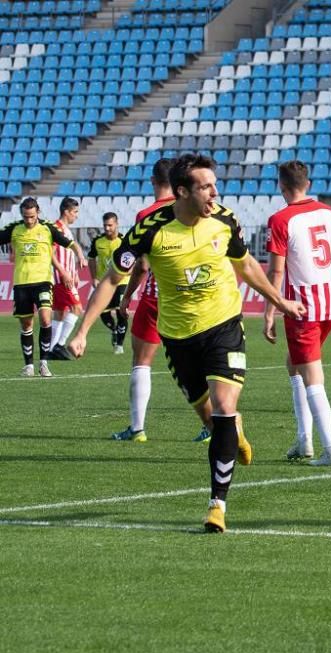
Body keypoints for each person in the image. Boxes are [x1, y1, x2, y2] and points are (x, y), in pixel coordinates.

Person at [68, 153, 306, 533]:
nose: (215, 192)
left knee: (225, 406)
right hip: (177, 337)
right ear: (182, 191)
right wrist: (82, 331)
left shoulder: (225, 220)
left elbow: (245, 265)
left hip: (223, 325)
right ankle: (233, 431)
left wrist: (279, 302)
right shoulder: (150, 229)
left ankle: (217, 505)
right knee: (212, 419)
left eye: (214, 184)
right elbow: (113, 279)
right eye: (206, 186)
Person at [111, 157, 214, 444]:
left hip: (157, 297)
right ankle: (211, 423)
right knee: (196, 365)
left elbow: (142, 266)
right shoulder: (197, 209)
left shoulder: (148, 214)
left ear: (154, 182)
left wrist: (126, 296)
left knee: (141, 362)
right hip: (194, 297)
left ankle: (137, 428)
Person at [264, 160, 331, 466]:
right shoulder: (329, 212)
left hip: (302, 308)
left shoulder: (280, 219)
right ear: (308, 184)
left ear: (281, 187)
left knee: (313, 377)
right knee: (294, 363)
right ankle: (304, 441)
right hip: (329, 305)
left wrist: (269, 313)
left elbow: (275, 272)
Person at [0, 197, 86, 377]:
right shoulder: (14, 229)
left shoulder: (47, 228)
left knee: (46, 319)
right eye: (25, 217)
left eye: (32, 216)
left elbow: (69, 243)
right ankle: (29, 365)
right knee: (26, 324)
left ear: (38, 212)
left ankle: (44, 363)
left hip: (43, 282)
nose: (29, 221)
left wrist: (80, 255)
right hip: (21, 283)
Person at [88, 212, 129, 354]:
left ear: (117, 224)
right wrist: (94, 277)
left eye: (110, 225)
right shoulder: (98, 241)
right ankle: (114, 330)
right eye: (105, 225)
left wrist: (129, 271)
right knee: (103, 313)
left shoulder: (124, 241)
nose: (107, 228)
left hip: (122, 280)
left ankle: (119, 345)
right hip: (104, 282)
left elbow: (134, 258)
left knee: (121, 311)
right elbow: (91, 259)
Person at [49, 197, 83, 360]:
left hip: (66, 276)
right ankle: (60, 344)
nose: (76, 215)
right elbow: (51, 253)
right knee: (77, 308)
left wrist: (74, 272)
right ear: (66, 212)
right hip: (61, 278)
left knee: (60, 313)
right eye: (75, 212)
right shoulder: (57, 229)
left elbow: (68, 254)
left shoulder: (67, 230)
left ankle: (50, 349)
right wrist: (63, 272)